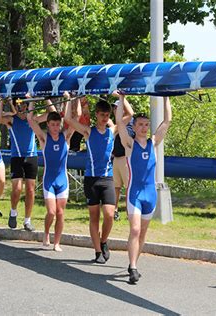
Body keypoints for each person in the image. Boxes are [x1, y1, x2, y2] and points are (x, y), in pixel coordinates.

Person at [65, 91, 130, 264]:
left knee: (109, 214)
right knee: (94, 217)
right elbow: (69, 120)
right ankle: (97, 251)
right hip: (91, 179)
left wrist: (122, 98)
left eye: (107, 115)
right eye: (102, 115)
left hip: (107, 179)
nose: (104, 118)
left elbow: (130, 115)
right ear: (96, 115)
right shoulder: (88, 131)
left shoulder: (112, 130)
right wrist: (70, 99)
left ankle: (103, 241)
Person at [116, 94, 172, 284]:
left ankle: (135, 264)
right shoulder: (129, 143)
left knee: (143, 233)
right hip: (135, 194)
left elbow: (167, 121)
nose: (144, 127)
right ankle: (132, 267)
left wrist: (166, 99)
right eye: (140, 124)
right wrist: (122, 99)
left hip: (151, 194)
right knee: (135, 229)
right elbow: (119, 123)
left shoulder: (153, 143)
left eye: (146, 124)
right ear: (135, 126)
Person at [0, 97, 54, 230]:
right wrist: (1, 102)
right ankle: (13, 212)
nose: (22, 108)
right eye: (20, 105)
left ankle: (27, 220)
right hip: (17, 157)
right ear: (16, 107)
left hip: (31, 156)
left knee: (30, 190)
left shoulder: (33, 119)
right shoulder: (12, 119)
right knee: (17, 189)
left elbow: (52, 113)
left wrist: (46, 99)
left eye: (25, 105)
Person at [26, 93, 73, 251]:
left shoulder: (65, 137)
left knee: (60, 213)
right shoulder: (44, 138)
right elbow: (31, 120)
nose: (55, 127)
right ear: (48, 124)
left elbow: (74, 118)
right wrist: (31, 100)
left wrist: (72, 99)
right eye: (52, 124)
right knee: (51, 212)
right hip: (49, 181)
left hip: (62, 181)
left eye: (57, 124)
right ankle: (46, 233)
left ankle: (57, 242)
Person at [111, 100, 134, 221]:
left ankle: (129, 212)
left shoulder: (130, 126)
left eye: (118, 108)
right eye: (114, 108)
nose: (115, 110)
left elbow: (127, 139)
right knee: (116, 187)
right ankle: (114, 211)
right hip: (116, 159)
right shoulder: (116, 125)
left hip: (126, 160)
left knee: (128, 187)